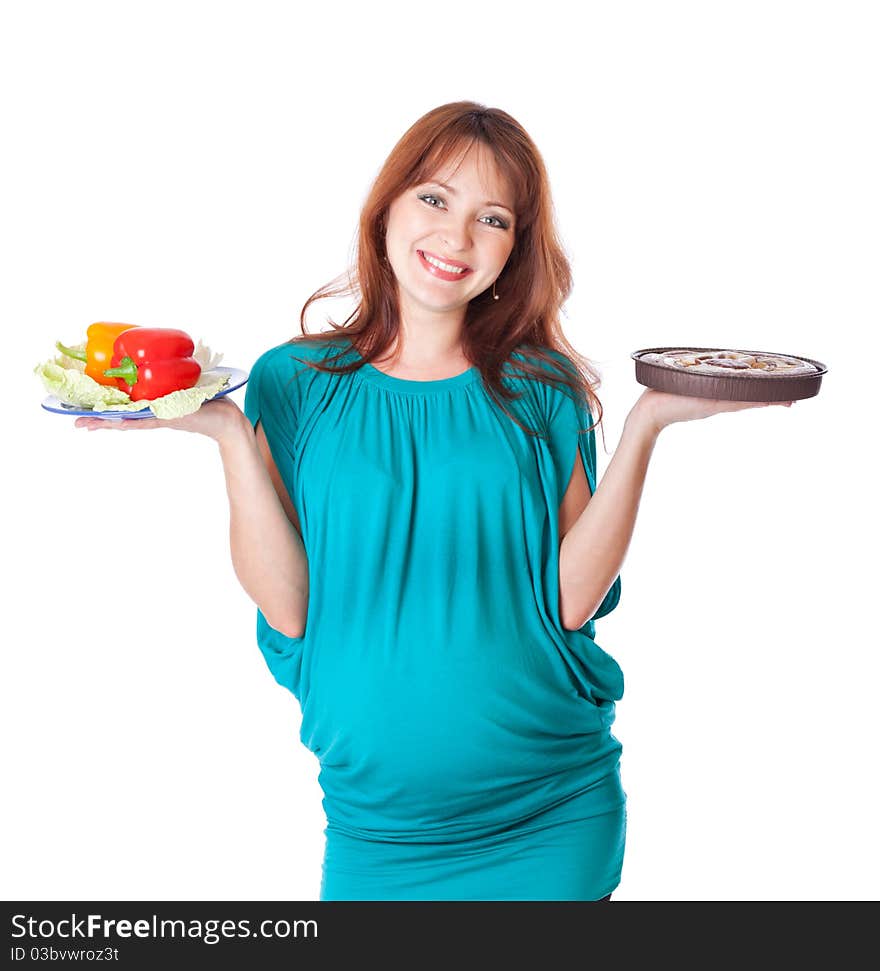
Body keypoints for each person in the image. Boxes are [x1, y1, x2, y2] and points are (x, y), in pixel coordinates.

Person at [74, 101, 794, 900]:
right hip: (376, 832)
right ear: (386, 206)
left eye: (493, 218)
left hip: (549, 816)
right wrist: (231, 440)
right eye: (434, 198)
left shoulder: (541, 390)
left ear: (514, 250)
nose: (456, 238)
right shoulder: (293, 382)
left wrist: (647, 424)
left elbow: (570, 599)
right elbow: (288, 607)